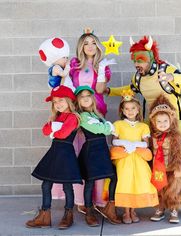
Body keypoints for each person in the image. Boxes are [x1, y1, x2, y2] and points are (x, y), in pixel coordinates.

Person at [107, 36, 181, 220]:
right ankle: (162, 204)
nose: (136, 63)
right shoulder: (139, 77)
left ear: (150, 57)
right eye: (134, 60)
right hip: (154, 127)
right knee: (156, 164)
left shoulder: (166, 69)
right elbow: (130, 89)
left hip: (175, 126)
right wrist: (110, 91)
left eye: (140, 59)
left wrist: (172, 77)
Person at [52, 28, 115, 213]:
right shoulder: (74, 64)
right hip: (77, 112)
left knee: (95, 154)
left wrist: (102, 70)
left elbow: (101, 90)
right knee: (77, 151)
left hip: (96, 111)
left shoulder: (103, 65)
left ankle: (96, 199)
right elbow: (67, 86)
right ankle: (80, 199)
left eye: (93, 42)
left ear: (98, 45)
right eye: (85, 43)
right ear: (81, 46)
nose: (89, 46)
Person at [25, 85, 82, 230]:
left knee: (67, 186)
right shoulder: (57, 116)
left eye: (61, 100)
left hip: (65, 154)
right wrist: (54, 127)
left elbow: (63, 134)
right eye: (55, 102)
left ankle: (68, 215)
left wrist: (54, 130)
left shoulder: (73, 117)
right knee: (45, 185)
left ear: (69, 100)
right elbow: (45, 130)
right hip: (54, 152)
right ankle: (45, 216)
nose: (58, 104)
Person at [110, 89, 158, 224]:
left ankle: (133, 210)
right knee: (126, 182)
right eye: (126, 108)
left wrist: (134, 145)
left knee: (138, 182)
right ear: (122, 110)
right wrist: (125, 143)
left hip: (138, 158)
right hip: (124, 158)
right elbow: (114, 141)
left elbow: (145, 144)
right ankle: (126, 212)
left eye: (133, 108)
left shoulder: (143, 126)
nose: (130, 111)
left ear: (138, 110)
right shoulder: (118, 124)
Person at [75, 85, 121, 226]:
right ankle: (89, 211)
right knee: (90, 181)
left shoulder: (96, 114)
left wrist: (107, 126)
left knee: (113, 176)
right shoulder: (82, 116)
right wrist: (109, 127)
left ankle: (110, 207)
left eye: (88, 95)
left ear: (92, 98)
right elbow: (101, 129)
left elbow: (103, 126)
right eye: (82, 96)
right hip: (91, 150)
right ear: (78, 101)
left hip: (101, 149)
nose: (86, 98)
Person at [149, 94, 181, 223]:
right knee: (159, 188)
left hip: (171, 169)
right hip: (158, 169)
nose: (162, 124)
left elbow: (180, 153)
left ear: (171, 120)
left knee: (173, 189)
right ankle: (160, 208)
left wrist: (179, 168)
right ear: (154, 122)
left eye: (165, 121)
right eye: (159, 121)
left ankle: (174, 209)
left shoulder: (175, 136)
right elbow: (149, 151)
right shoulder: (152, 136)